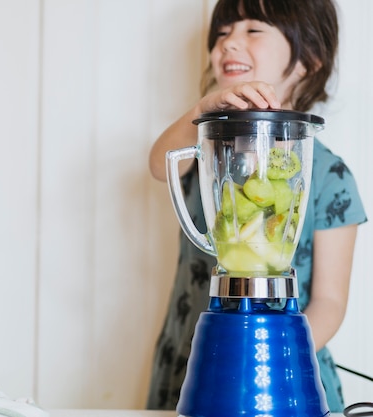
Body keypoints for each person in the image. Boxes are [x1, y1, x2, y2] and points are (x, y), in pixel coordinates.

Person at [146, 0, 368, 412]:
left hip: (284, 370)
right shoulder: (208, 156)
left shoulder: (329, 175)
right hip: (192, 357)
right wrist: (200, 114)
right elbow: (160, 165)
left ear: (310, 58)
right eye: (223, 32)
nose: (229, 43)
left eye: (253, 30)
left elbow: (330, 302)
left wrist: (273, 355)